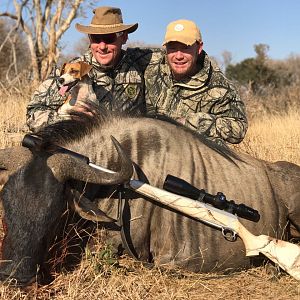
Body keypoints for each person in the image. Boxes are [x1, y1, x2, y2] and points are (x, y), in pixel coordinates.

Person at [26, 6, 155, 132]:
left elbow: (172, 55)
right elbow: (33, 112)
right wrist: (67, 119)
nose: (102, 46)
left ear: (124, 37)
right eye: (96, 38)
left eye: (109, 38)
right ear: (89, 39)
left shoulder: (140, 62)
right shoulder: (73, 70)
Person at [145, 19, 248, 146]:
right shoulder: (151, 63)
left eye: (185, 48)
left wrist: (188, 122)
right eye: (172, 48)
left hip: (191, 156)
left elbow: (239, 128)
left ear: (199, 47)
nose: (178, 56)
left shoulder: (219, 86)